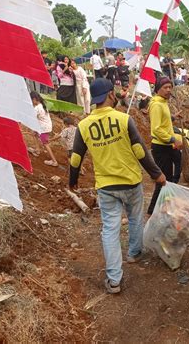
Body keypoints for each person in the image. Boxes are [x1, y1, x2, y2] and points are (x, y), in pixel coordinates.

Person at [69, 78, 165, 294]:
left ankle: (114, 280)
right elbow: (140, 151)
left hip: (106, 186)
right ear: (111, 95)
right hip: (130, 181)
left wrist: (72, 180)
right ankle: (134, 253)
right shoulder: (124, 119)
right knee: (134, 218)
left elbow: (76, 158)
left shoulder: (83, 126)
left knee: (110, 231)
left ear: (94, 100)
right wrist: (156, 174)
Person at [147, 76, 183, 215]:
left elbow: (163, 120)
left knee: (177, 164)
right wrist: (172, 139)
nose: (168, 90)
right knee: (163, 179)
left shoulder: (163, 102)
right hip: (161, 147)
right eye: (165, 87)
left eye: (170, 87)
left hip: (167, 145)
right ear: (158, 89)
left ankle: (168, 199)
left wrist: (173, 117)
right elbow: (156, 129)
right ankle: (153, 209)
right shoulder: (156, 105)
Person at [29, 91, 59, 167]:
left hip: (43, 128)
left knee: (45, 144)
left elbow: (31, 117)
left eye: (31, 100)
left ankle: (54, 161)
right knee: (34, 134)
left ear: (34, 99)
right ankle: (37, 150)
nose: (31, 102)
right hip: (46, 126)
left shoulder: (37, 108)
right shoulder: (42, 105)